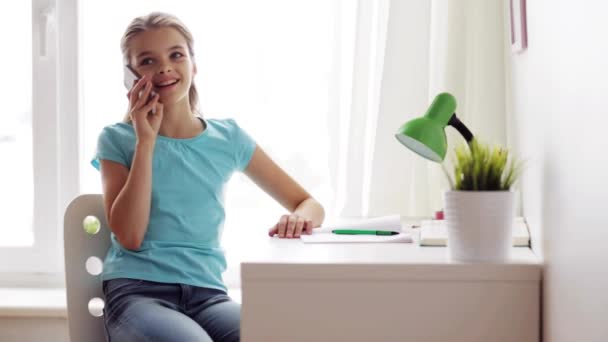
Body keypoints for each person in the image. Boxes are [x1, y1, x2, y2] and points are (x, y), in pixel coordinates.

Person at [93, 12, 325, 342]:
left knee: (273, 334)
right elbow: (130, 236)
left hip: (208, 296)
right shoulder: (117, 140)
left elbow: (309, 203)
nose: (164, 68)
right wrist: (146, 142)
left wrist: (298, 218)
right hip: (137, 294)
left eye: (176, 55)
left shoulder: (227, 138)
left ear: (193, 64)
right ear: (130, 77)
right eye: (147, 61)